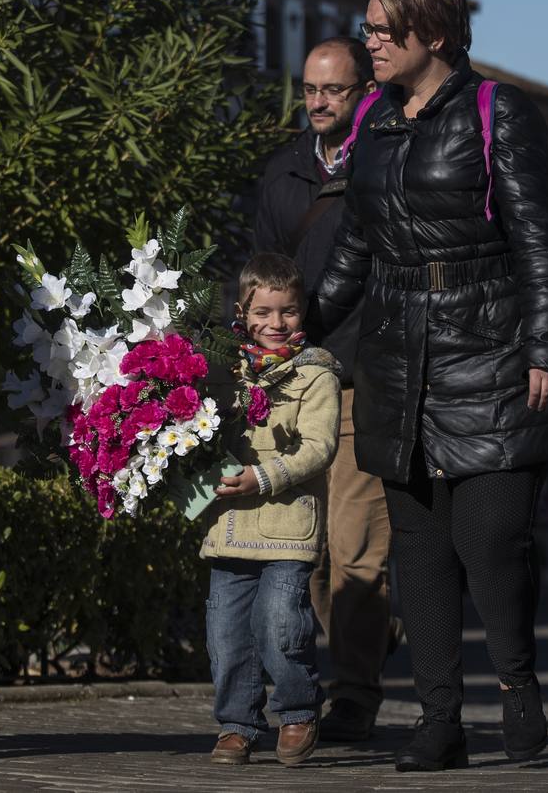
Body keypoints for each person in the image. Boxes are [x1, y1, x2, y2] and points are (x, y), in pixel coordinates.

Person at [313, 0, 548, 771]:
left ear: (434, 31)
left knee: (490, 536)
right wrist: (291, 326)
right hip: (398, 357)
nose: (372, 43)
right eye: (367, 28)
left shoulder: (500, 112)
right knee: (419, 549)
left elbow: (540, 240)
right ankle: (438, 718)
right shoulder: (372, 122)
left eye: (384, 30)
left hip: (493, 352)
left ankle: (517, 685)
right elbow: (354, 249)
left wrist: (546, 349)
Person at [254, 37, 394, 742]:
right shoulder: (281, 173)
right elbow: (254, 270)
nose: (316, 101)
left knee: (355, 545)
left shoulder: (383, 164)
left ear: (359, 90)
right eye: (308, 88)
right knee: (305, 553)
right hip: (291, 385)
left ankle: (355, 695)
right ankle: (328, 674)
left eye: (332, 90)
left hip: (358, 381)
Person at [202, 253, 341, 767]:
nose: (275, 324)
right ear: (243, 310)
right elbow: (197, 432)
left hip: (288, 525)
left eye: (287, 311)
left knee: (280, 622)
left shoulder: (317, 375)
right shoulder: (222, 369)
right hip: (229, 527)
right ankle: (237, 724)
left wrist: (263, 475)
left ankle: (299, 711)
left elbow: (318, 447)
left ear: (302, 311)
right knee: (226, 633)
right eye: (263, 312)